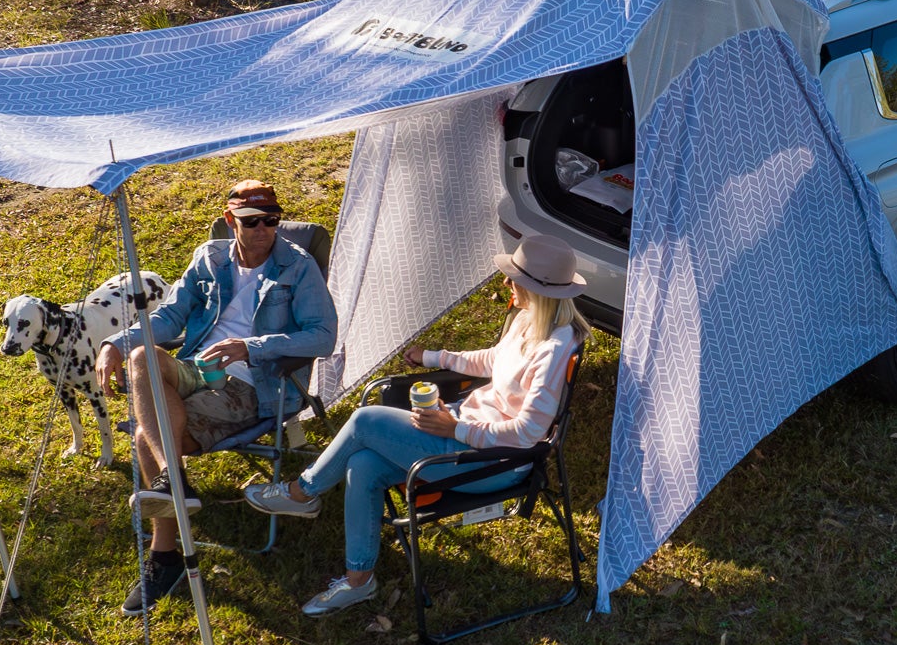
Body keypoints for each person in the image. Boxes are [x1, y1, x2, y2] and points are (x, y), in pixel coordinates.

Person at [244, 234, 589, 616]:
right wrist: (433, 356)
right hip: (468, 431)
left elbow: (528, 434)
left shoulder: (555, 349)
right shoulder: (528, 320)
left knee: (365, 420)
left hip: (495, 462)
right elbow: (494, 360)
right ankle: (359, 581)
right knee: (364, 466)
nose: (506, 283)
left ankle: (302, 492)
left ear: (535, 288)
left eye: (513, 278)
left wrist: (454, 429)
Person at [97, 179, 336, 616]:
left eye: (272, 220)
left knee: (143, 439)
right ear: (230, 221)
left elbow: (323, 336)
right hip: (196, 367)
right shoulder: (209, 257)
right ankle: (175, 480)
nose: (265, 229)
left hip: (254, 382)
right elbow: (169, 319)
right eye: (252, 221)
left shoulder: (297, 266)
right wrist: (115, 341)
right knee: (140, 355)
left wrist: (252, 346)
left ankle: (164, 557)